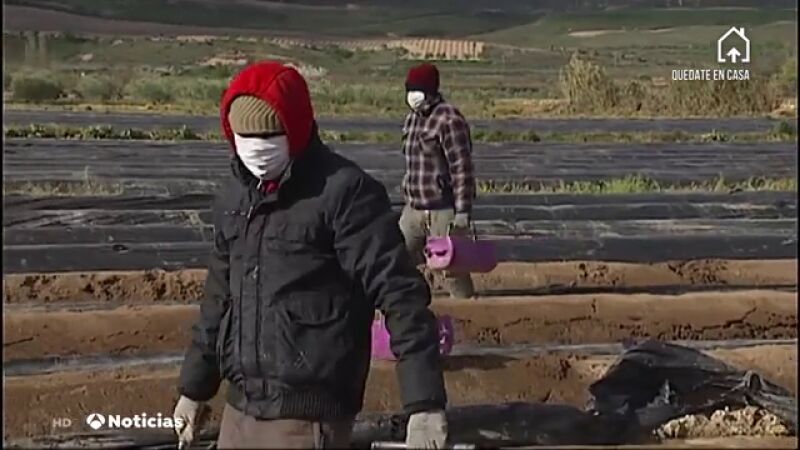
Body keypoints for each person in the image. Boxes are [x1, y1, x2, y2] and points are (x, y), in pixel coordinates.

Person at [172, 61, 448, 449]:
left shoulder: (344, 194)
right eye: (245, 136)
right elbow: (218, 299)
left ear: (297, 127)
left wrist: (424, 403)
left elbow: (400, 294)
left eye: (269, 134)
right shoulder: (235, 197)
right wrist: (195, 388)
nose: (257, 147)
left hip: (307, 419)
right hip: (240, 410)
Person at [399, 63, 477, 299]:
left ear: (430, 91)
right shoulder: (411, 120)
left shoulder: (449, 120)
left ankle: (467, 308)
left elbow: (461, 167)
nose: (412, 95)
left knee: (451, 268)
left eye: (418, 90)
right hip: (414, 208)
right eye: (410, 90)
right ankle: (414, 303)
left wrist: (462, 212)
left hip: (441, 209)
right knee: (397, 259)